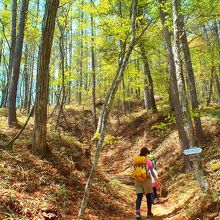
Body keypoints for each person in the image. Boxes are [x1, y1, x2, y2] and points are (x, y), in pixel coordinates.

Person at [134, 147, 158, 219]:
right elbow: (152, 172)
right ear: (146, 153)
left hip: (138, 180)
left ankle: (137, 212)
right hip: (147, 180)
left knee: (139, 197)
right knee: (148, 196)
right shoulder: (148, 161)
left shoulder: (136, 160)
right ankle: (149, 212)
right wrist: (156, 179)